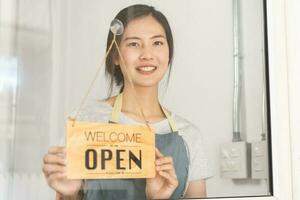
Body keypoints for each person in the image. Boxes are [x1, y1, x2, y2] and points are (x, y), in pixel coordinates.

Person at [42, 4, 213, 200]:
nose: (147, 54)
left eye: (157, 43)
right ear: (114, 55)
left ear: (169, 53)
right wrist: (69, 195)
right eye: (133, 44)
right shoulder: (83, 121)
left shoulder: (189, 136)